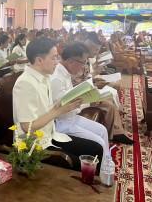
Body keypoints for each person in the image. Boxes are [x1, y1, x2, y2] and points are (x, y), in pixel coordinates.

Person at [13, 37, 103, 172]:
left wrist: (65, 103)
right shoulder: (25, 83)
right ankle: (85, 189)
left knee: (96, 149)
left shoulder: (45, 77)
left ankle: (93, 186)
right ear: (39, 60)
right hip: (35, 145)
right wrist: (59, 110)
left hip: (50, 134)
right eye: (54, 58)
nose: (57, 62)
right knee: (84, 164)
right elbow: (27, 127)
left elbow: (47, 110)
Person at [50, 41, 109, 158]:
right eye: (83, 62)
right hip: (61, 124)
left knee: (102, 130)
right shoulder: (56, 78)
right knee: (99, 143)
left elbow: (71, 103)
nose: (84, 66)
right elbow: (63, 110)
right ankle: (100, 175)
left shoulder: (65, 73)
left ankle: (106, 166)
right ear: (71, 61)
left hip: (71, 118)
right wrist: (88, 104)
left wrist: (89, 101)